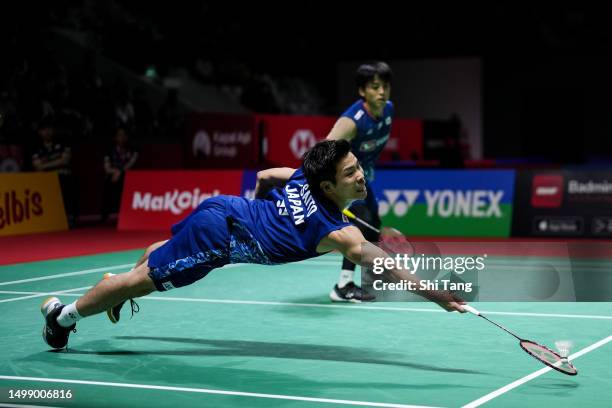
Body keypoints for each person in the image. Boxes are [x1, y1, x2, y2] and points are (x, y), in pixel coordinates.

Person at [40, 140, 466, 350]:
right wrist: (438, 295)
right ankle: (62, 317)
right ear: (328, 184)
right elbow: (385, 266)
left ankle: (118, 286)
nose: (361, 177)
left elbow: (264, 176)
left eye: (358, 168)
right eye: (351, 172)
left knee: (161, 256)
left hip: (225, 209)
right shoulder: (338, 235)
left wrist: (263, 215)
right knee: (144, 282)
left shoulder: (302, 177)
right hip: (218, 238)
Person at [325, 61, 393, 302]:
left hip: (363, 180)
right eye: (375, 87)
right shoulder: (352, 121)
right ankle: (343, 285)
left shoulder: (388, 111)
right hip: (345, 182)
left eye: (385, 86)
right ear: (363, 91)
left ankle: (366, 274)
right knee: (361, 225)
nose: (382, 92)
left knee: (374, 222)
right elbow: (324, 150)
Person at [100, 126, 139, 223]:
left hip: (127, 177)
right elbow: (107, 167)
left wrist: (120, 172)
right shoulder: (109, 150)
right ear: (115, 137)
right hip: (113, 175)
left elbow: (130, 164)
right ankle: (105, 215)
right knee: (109, 182)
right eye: (119, 135)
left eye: (123, 135)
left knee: (125, 180)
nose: (121, 137)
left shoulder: (132, 150)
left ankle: (128, 215)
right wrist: (115, 172)